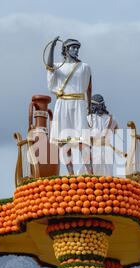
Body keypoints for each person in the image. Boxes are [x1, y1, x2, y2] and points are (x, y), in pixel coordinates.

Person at [46, 37, 93, 175]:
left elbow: (89, 88)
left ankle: (90, 171)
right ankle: (70, 172)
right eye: (73, 47)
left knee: (82, 139)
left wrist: (89, 106)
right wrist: (52, 47)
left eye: (77, 48)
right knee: (64, 140)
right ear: (66, 50)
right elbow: (48, 66)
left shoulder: (85, 67)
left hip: (79, 103)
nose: (76, 50)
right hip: (63, 103)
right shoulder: (58, 66)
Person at [86, 94, 119, 176]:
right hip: (107, 151)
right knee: (106, 176)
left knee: (93, 177)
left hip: (95, 150)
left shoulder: (88, 118)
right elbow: (116, 131)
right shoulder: (112, 118)